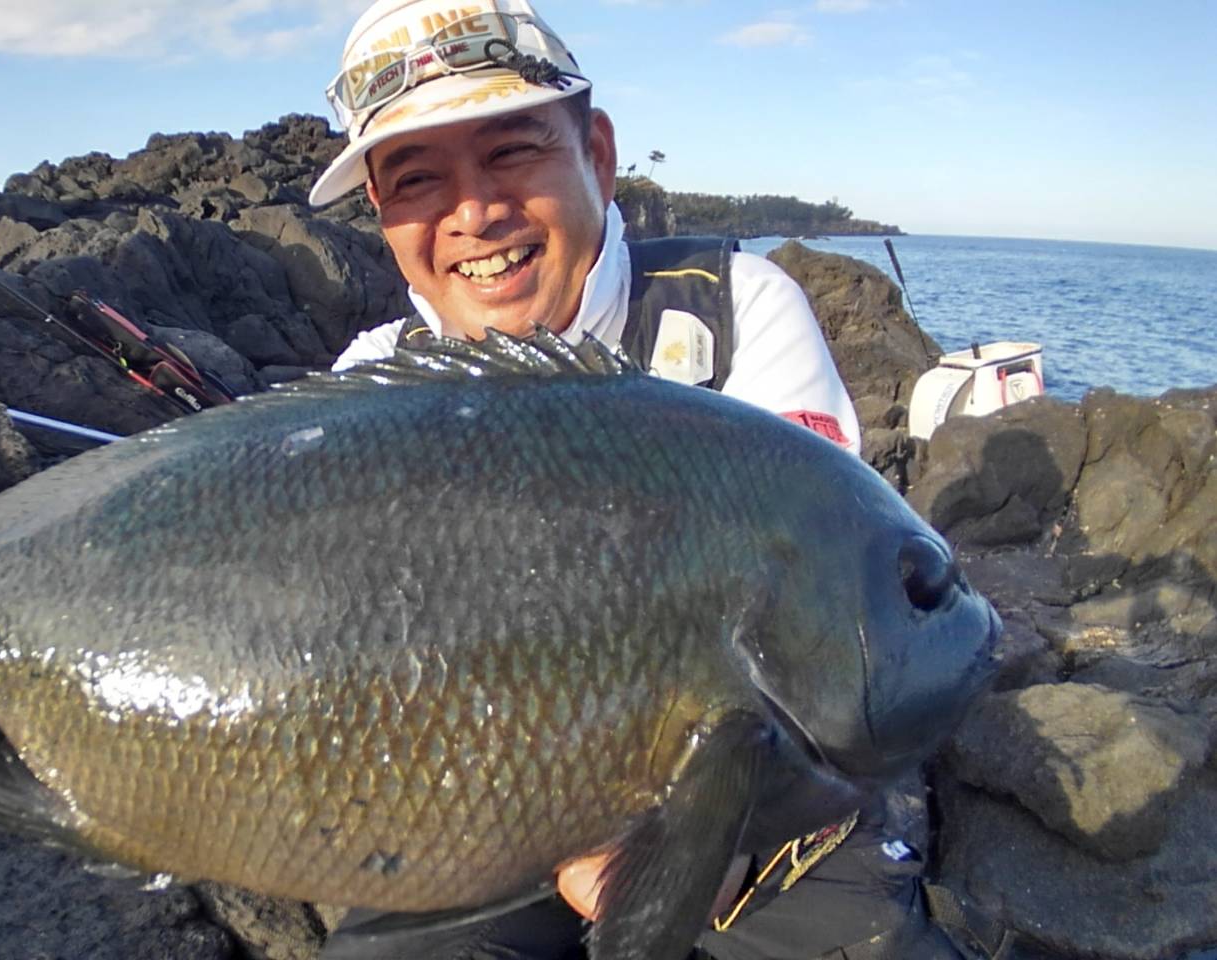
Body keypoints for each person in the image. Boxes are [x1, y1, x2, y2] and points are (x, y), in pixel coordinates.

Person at [307, 1, 978, 958]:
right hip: (470, 816)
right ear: (382, 215)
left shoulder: (739, 311)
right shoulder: (365, 385)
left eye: (511, 152)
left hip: (768, 811)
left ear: (599, 154)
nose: (474, 212)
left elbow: (814, 639)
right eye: (418, 178)